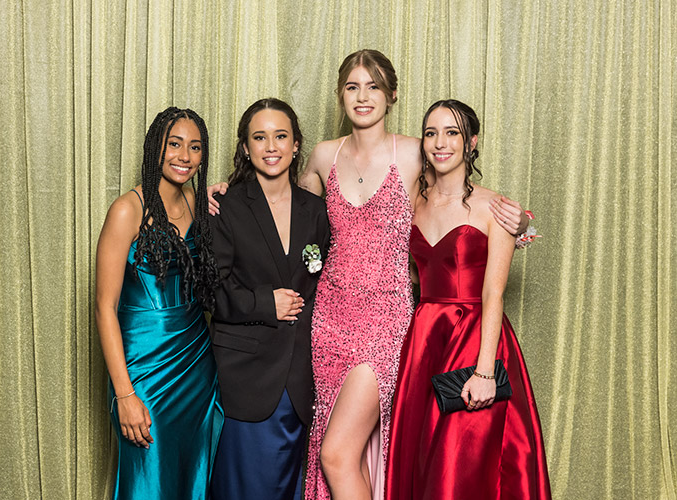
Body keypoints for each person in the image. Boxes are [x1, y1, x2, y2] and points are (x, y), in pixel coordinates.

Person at [207, 50, 530, 500]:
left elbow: (456, 200)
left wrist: (517, 222)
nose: (363, 97)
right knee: (342, 451)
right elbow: (285, 214)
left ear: (392, 94)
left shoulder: (415, 152)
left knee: (336, 454)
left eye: (374, 86)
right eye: (353, 87)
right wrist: (225, 188)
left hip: (386, 321)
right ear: (340, 96)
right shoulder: (322, 156)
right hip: (328, 321)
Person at [386, 100, 551, 499]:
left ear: (471, 142)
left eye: (452, 132)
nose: (440, 143)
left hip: (475, 339)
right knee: (423, 459)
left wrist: (484, 372)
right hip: (424, 339)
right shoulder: (413, 202)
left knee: (459, 463)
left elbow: (494, 292)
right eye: (431, 133)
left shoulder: (496, 207)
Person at [95, 107, 223, 499]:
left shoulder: (199, 205)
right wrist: (125, 394)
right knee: (149, 481)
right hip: (146, 372)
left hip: (197, 365)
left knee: (194, 474)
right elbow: (104, 306)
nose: (184, 156)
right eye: (175, 144)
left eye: (195, 147)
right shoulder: (126, 210)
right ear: (156, 148)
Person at [209, 98, 330, 500]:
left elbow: (328, 284)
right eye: (259, 137)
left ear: (297, 144)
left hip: (300, 378)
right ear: (245, 147)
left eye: (281, 136)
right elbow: (210, 290)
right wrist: (265, 303)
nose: (271, 146)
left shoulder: (316, 210)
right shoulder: (224, 205)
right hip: (247, 376)